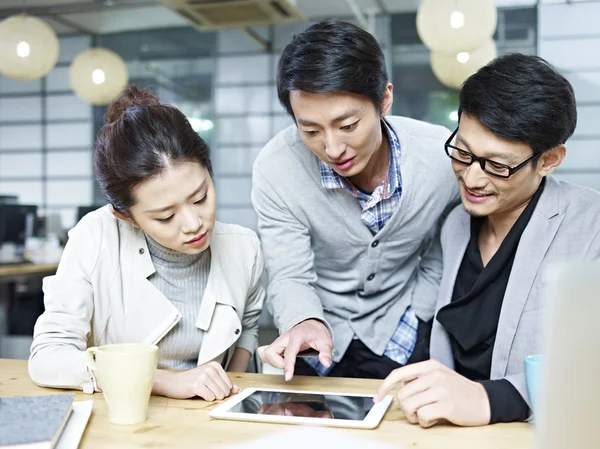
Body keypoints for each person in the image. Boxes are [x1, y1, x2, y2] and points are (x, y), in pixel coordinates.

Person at [375, 53, 600, 427]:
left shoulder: (591, 225)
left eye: (497, 165)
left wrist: (491, 399)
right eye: (463, 152)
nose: (472, 179)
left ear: (549, 160)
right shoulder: (454, 225)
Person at [252, 19, 459, 381]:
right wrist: (304, 319)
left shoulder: (440, 158)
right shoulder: (276, 168)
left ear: (384, 100)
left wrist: (423, 306)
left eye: (348, 126)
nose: (332, 149)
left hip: (403, 326)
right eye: (310, 130)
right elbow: (288, 272)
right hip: (318, 333)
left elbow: (451, 240)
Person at [29, 86, 265, 402]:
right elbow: (48, 357)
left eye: (201, 197)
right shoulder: (96, 237)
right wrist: (159, 380)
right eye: (166, 217)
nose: (194, 223)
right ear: (127, 217)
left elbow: (246, 330)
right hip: (122, 420)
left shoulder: (243, 247)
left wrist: (232, 392)